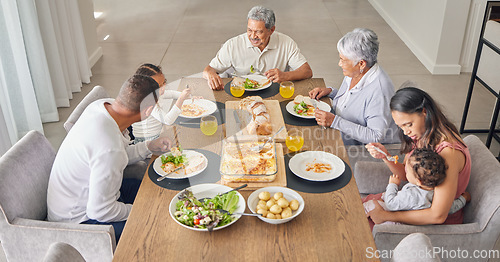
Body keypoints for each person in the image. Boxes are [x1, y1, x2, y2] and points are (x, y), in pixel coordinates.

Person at [47, 75, 173, 242]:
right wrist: (138, 211)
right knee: (155, 225)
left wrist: (148, 146)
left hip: (85, 196)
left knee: (159, 194)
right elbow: (100, 211)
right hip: (79, 221)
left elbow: (114, 156)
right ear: (148, 111)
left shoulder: (101, 107)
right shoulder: (109, 149)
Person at [364, 87, 471, 227]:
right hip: (411, 203)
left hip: (425, 216)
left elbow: (437, 215)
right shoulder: (423, 133)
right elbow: (408, 175)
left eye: (408, 124)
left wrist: (385, 216)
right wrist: (386, 156)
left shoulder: (448, 153)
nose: (406, 132)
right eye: (401, 127)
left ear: (424, 112)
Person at [309, 28, 399, 145]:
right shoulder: (357, 71)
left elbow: (376, 136)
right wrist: (331, 92)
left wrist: (335, 121)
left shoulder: (380, 91)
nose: (339, 64)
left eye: (343, 60)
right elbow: (354, 102)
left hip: (361, 152)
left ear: (361, 63)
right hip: (338, 131)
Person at [203, 5, 313, 90]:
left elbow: (307, 72)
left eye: (258, 32)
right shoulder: (233, 45)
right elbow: (208, 70)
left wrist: (285, 75)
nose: (252, 36)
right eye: (249, 30)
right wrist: (211, 75)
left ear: (272, 30)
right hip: (241, 93)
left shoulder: (286, 42)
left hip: (275, 93)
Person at [363, 148, 470, 225]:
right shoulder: (438, 196)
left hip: (399, 218)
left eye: (407, 171)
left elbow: (391, 203)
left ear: (419, 181)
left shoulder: (411, 195)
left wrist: (393, 185)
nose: (405, 172)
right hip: (411, 217)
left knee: (370, 203)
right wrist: (463, 199)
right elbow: (451, 208)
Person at [131, 63, 197, 143]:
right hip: (148, 141)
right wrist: (181, 99)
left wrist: (189, 97)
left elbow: (171, 93)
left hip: (159, 132)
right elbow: (168, 120)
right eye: (159, 85)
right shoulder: (147, 101)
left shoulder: (155, 92)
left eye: (164, 83)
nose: (164, 87)